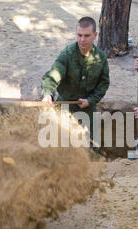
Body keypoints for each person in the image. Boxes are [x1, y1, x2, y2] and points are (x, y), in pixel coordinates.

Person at [41, 16, 110, 145]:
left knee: (91, 147)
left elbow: (103, 84)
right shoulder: (67, 54)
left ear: (95, 35)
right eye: (79, 35)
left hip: (87, 108)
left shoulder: (101, 57)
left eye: (87, 36)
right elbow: (53, 74)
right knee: (59, 144)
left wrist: (91, 100)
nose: (82, 40)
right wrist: (48, 93)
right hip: (65, 105)